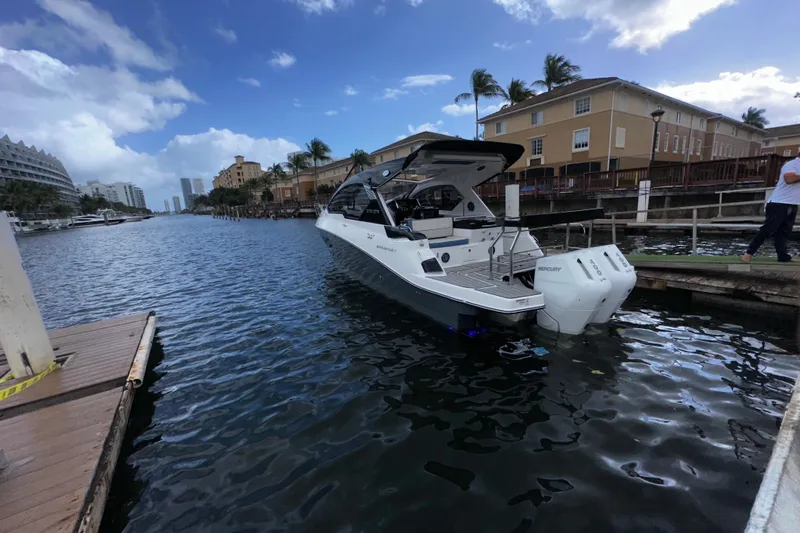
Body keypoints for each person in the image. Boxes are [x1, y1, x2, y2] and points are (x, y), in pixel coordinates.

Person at [742, 152, 800, 262]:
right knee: (768, 229)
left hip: (792, 203)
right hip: (778, 203)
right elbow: (789, 179)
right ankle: (748, 253)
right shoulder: (792, 164)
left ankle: (782, 256)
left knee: (784, 231)